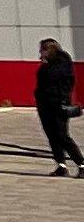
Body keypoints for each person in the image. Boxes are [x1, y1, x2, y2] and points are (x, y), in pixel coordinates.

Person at [36, 35, 79, 176]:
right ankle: (61, 165)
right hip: (45, 105)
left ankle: (81, 163)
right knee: (52, 136)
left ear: (48, 50)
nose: (40, 53)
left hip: (58, 105)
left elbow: (55, 79)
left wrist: (46, 65)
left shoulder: (62, 63)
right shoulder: (47, 65)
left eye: (42, 50)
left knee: (62, 136)